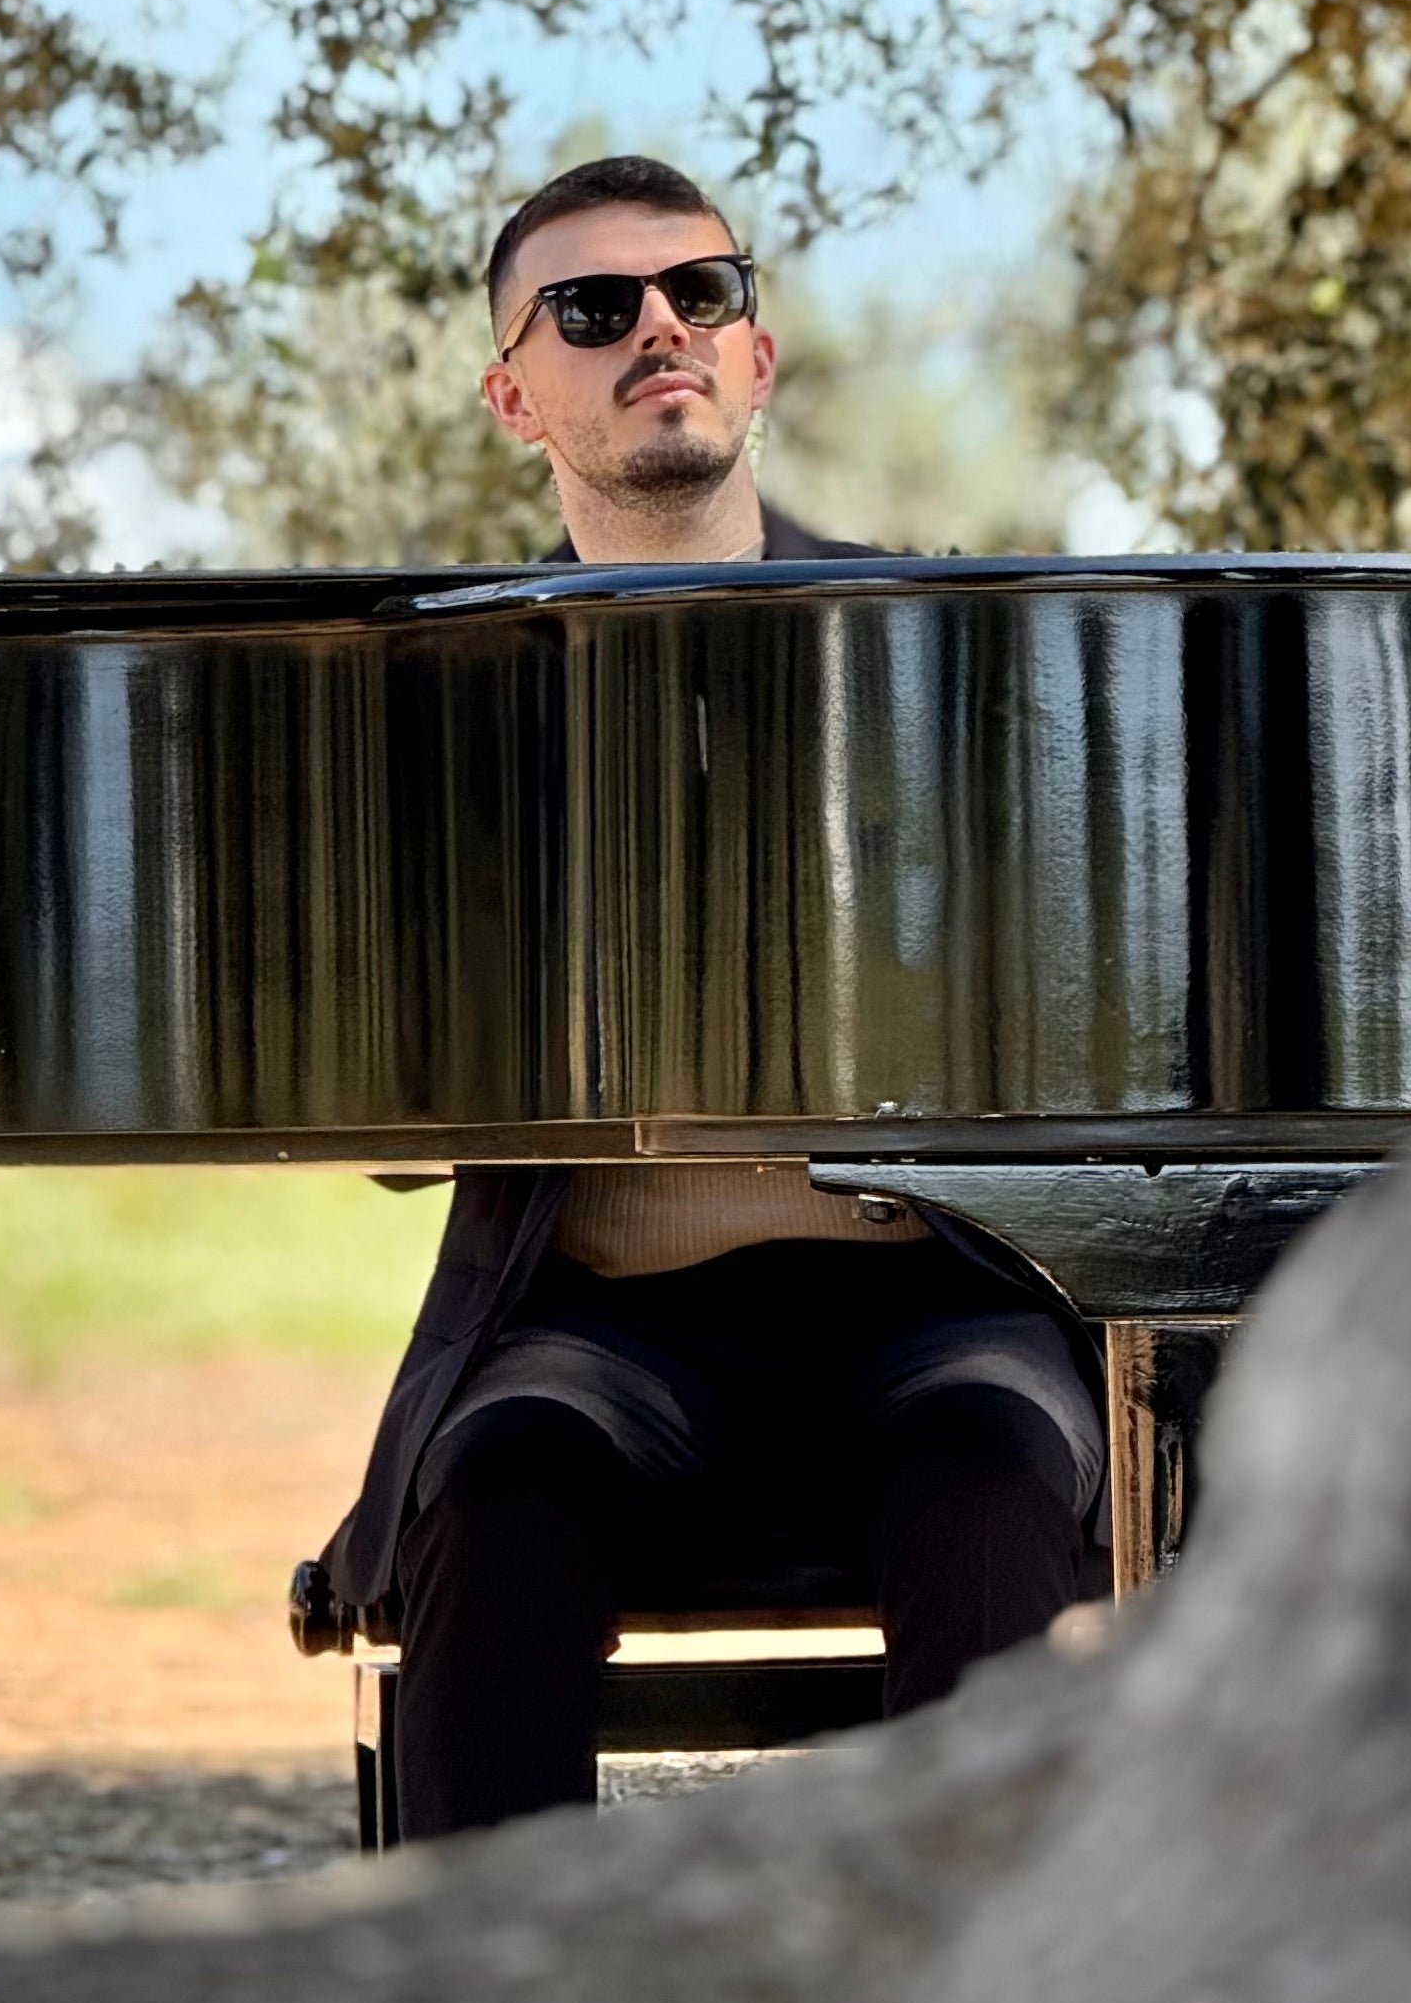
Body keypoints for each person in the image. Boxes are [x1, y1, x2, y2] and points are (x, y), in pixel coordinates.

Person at [313, 152, 1106, 1835]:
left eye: (704, 294)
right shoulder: (448, 700)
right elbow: (383, 1133)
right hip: (610, 1330)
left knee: (990, 1465)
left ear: (759, 356)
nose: (660, 328)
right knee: (497, 1478)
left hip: (940, 1297)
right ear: (516, 395)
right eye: (596, 309)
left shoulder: (944, 645)